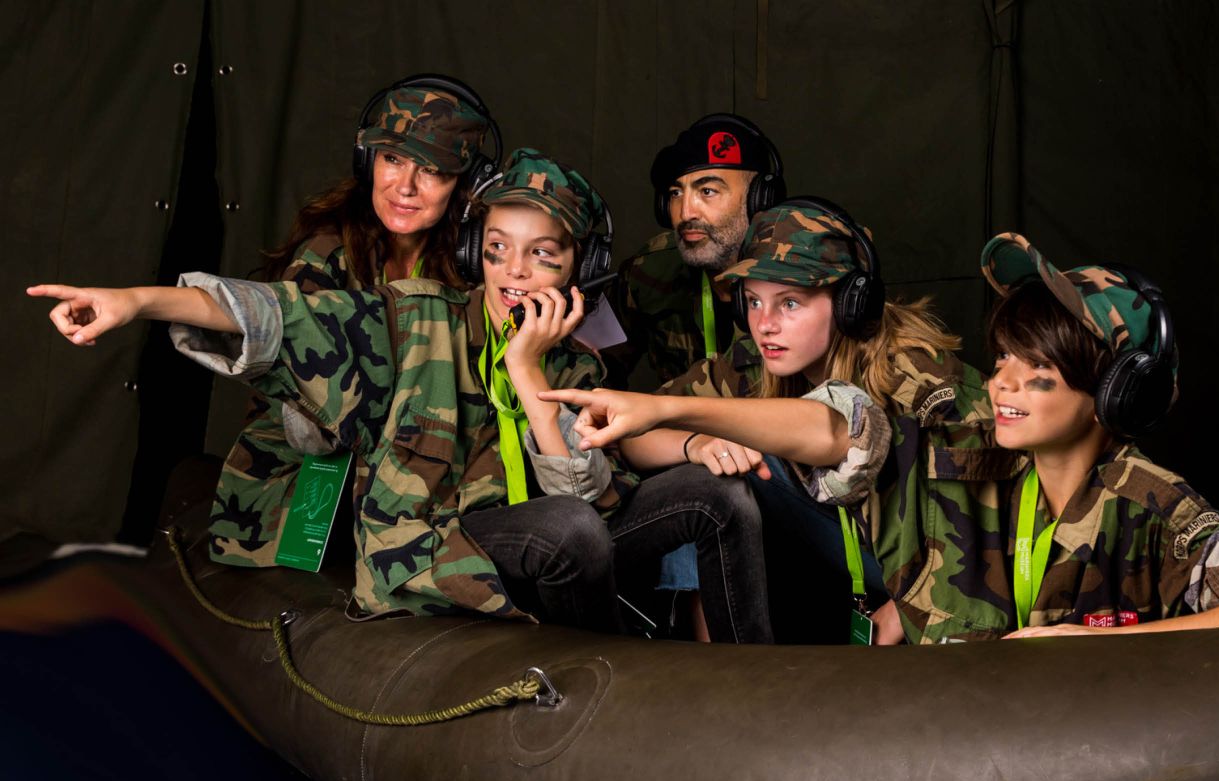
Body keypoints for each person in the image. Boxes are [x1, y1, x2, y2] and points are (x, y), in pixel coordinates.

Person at [32, 149, 630, 629]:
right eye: (498, 249)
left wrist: (526, 371)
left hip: (535, 545)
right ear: (478, 251)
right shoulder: (416, 321)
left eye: (542, 255)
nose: (515, 272)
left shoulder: (576, 367)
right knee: (567, 531)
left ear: (580, 268)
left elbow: (580, 495)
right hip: (436, 552)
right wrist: (136, 301)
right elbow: (276, 314)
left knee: (617, 516)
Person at [543, 197, 1019, 644]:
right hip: (837, 561)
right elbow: (630, 436)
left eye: (789, 303)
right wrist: (696, 444)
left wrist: (909, 601)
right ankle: (707, 661)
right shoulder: (751, 361)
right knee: (704, 472)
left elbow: (992, 519)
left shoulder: (918, 375)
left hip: (941, 573)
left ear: (851, 303)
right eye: (753, 301)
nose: (765, 323)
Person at [211, 74, 500, 570]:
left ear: (467, 184)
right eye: (392, 159)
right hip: (309, 469)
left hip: (431, 469)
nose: (404, 186)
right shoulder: (326, 255)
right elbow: (309, 424)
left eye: (431, 169)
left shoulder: (484, 260)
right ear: (368, 160)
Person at [977, 233, 1219, 638]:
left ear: (1116, 389)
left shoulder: (1154, 502)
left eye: (1038, 364)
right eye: (1003, 354)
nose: (1002, 381)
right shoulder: (997, 482)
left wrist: (1102, 641)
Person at [605, 113, 786, 390]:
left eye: (708, 191)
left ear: (759, 200)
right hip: (671, 433)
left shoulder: (801, 278)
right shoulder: (651, 270)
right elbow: (596, 369)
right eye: (676, 194)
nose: (686, 212)